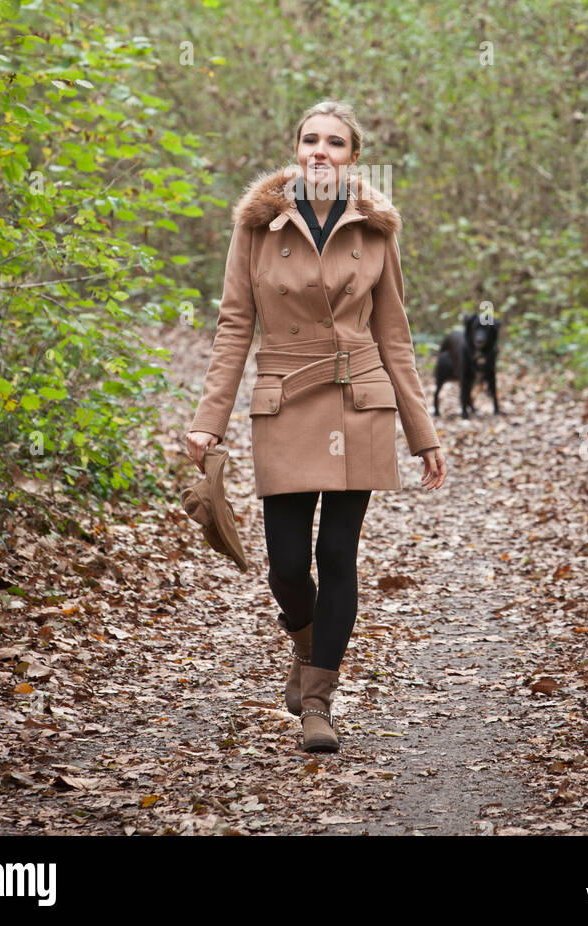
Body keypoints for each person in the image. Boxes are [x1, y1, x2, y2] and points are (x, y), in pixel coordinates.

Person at [184, 99, 446, 753]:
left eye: (335, 141)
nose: (321, 150)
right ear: (295, 149)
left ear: (353, 156)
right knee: (286, 566)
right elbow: (235, 325)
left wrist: (424, 434)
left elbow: (395, 334)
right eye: (310, 139)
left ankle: (320, 703)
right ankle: (304, 641)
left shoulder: (377, 231)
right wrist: (207, 422)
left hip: (359, 403)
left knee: (337, 556)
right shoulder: (258, 226)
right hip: (284, 401)